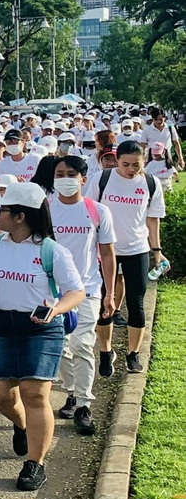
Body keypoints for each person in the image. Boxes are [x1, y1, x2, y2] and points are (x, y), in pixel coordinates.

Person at [0, 182, 85, 491]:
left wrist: (55, 310)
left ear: (20, 217)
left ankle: (35, 463)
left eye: (3, 210)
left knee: (34, 393)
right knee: (2, 396)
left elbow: (76, 291)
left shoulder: (52, 251)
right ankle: (22, 425)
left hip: (42, 329)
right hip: (3, 324)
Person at [84, 139, 166, 374]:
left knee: (136, 303)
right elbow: (89, 213)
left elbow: (152, 219)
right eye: (126, 164)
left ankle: (133, 353)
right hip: (105, 250)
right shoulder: (103, 179)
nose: (131, 170)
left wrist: (156, 250)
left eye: (136, 165)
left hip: (136, 250)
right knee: (104, 303)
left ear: (144, 161)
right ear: (116, 160)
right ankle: (105, 351)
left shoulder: (151, 183)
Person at [48, 155, 116, 434]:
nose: (65, 179)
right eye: (60, 173)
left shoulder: (98, 211)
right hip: (53, 292)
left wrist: (110, 293)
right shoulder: (46, 210)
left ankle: (85, 405)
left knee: (82, 345)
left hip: (87, 289)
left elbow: (108, 254)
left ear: (83, 179)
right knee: (61, 347)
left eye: (71, 174)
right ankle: (73, 392)